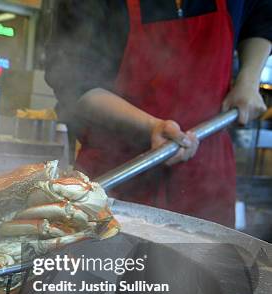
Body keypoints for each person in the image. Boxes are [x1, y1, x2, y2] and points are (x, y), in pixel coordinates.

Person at [45, 0, 272, 227]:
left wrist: (249, 80)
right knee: (105, 260)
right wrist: (151, 126)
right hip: (120, 171)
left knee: (207, 260)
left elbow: (261, 16)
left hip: (207, 171)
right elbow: (72, 82)